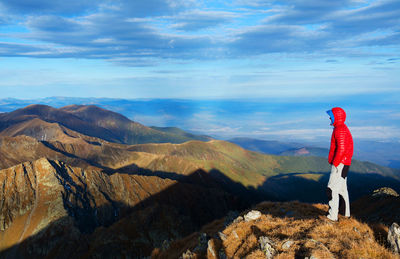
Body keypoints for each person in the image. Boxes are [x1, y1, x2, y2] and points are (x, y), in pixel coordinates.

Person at [326, 107, 353, 221]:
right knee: (342, 189)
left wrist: (335, 163)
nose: (329, 118)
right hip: (344, 163)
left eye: (331, 116)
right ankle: (345, 213)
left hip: (340, 163)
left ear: (336, 117)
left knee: (331, 189)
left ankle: (332, 216)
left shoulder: (339, 129)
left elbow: (341, 149)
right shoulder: (342, 128)